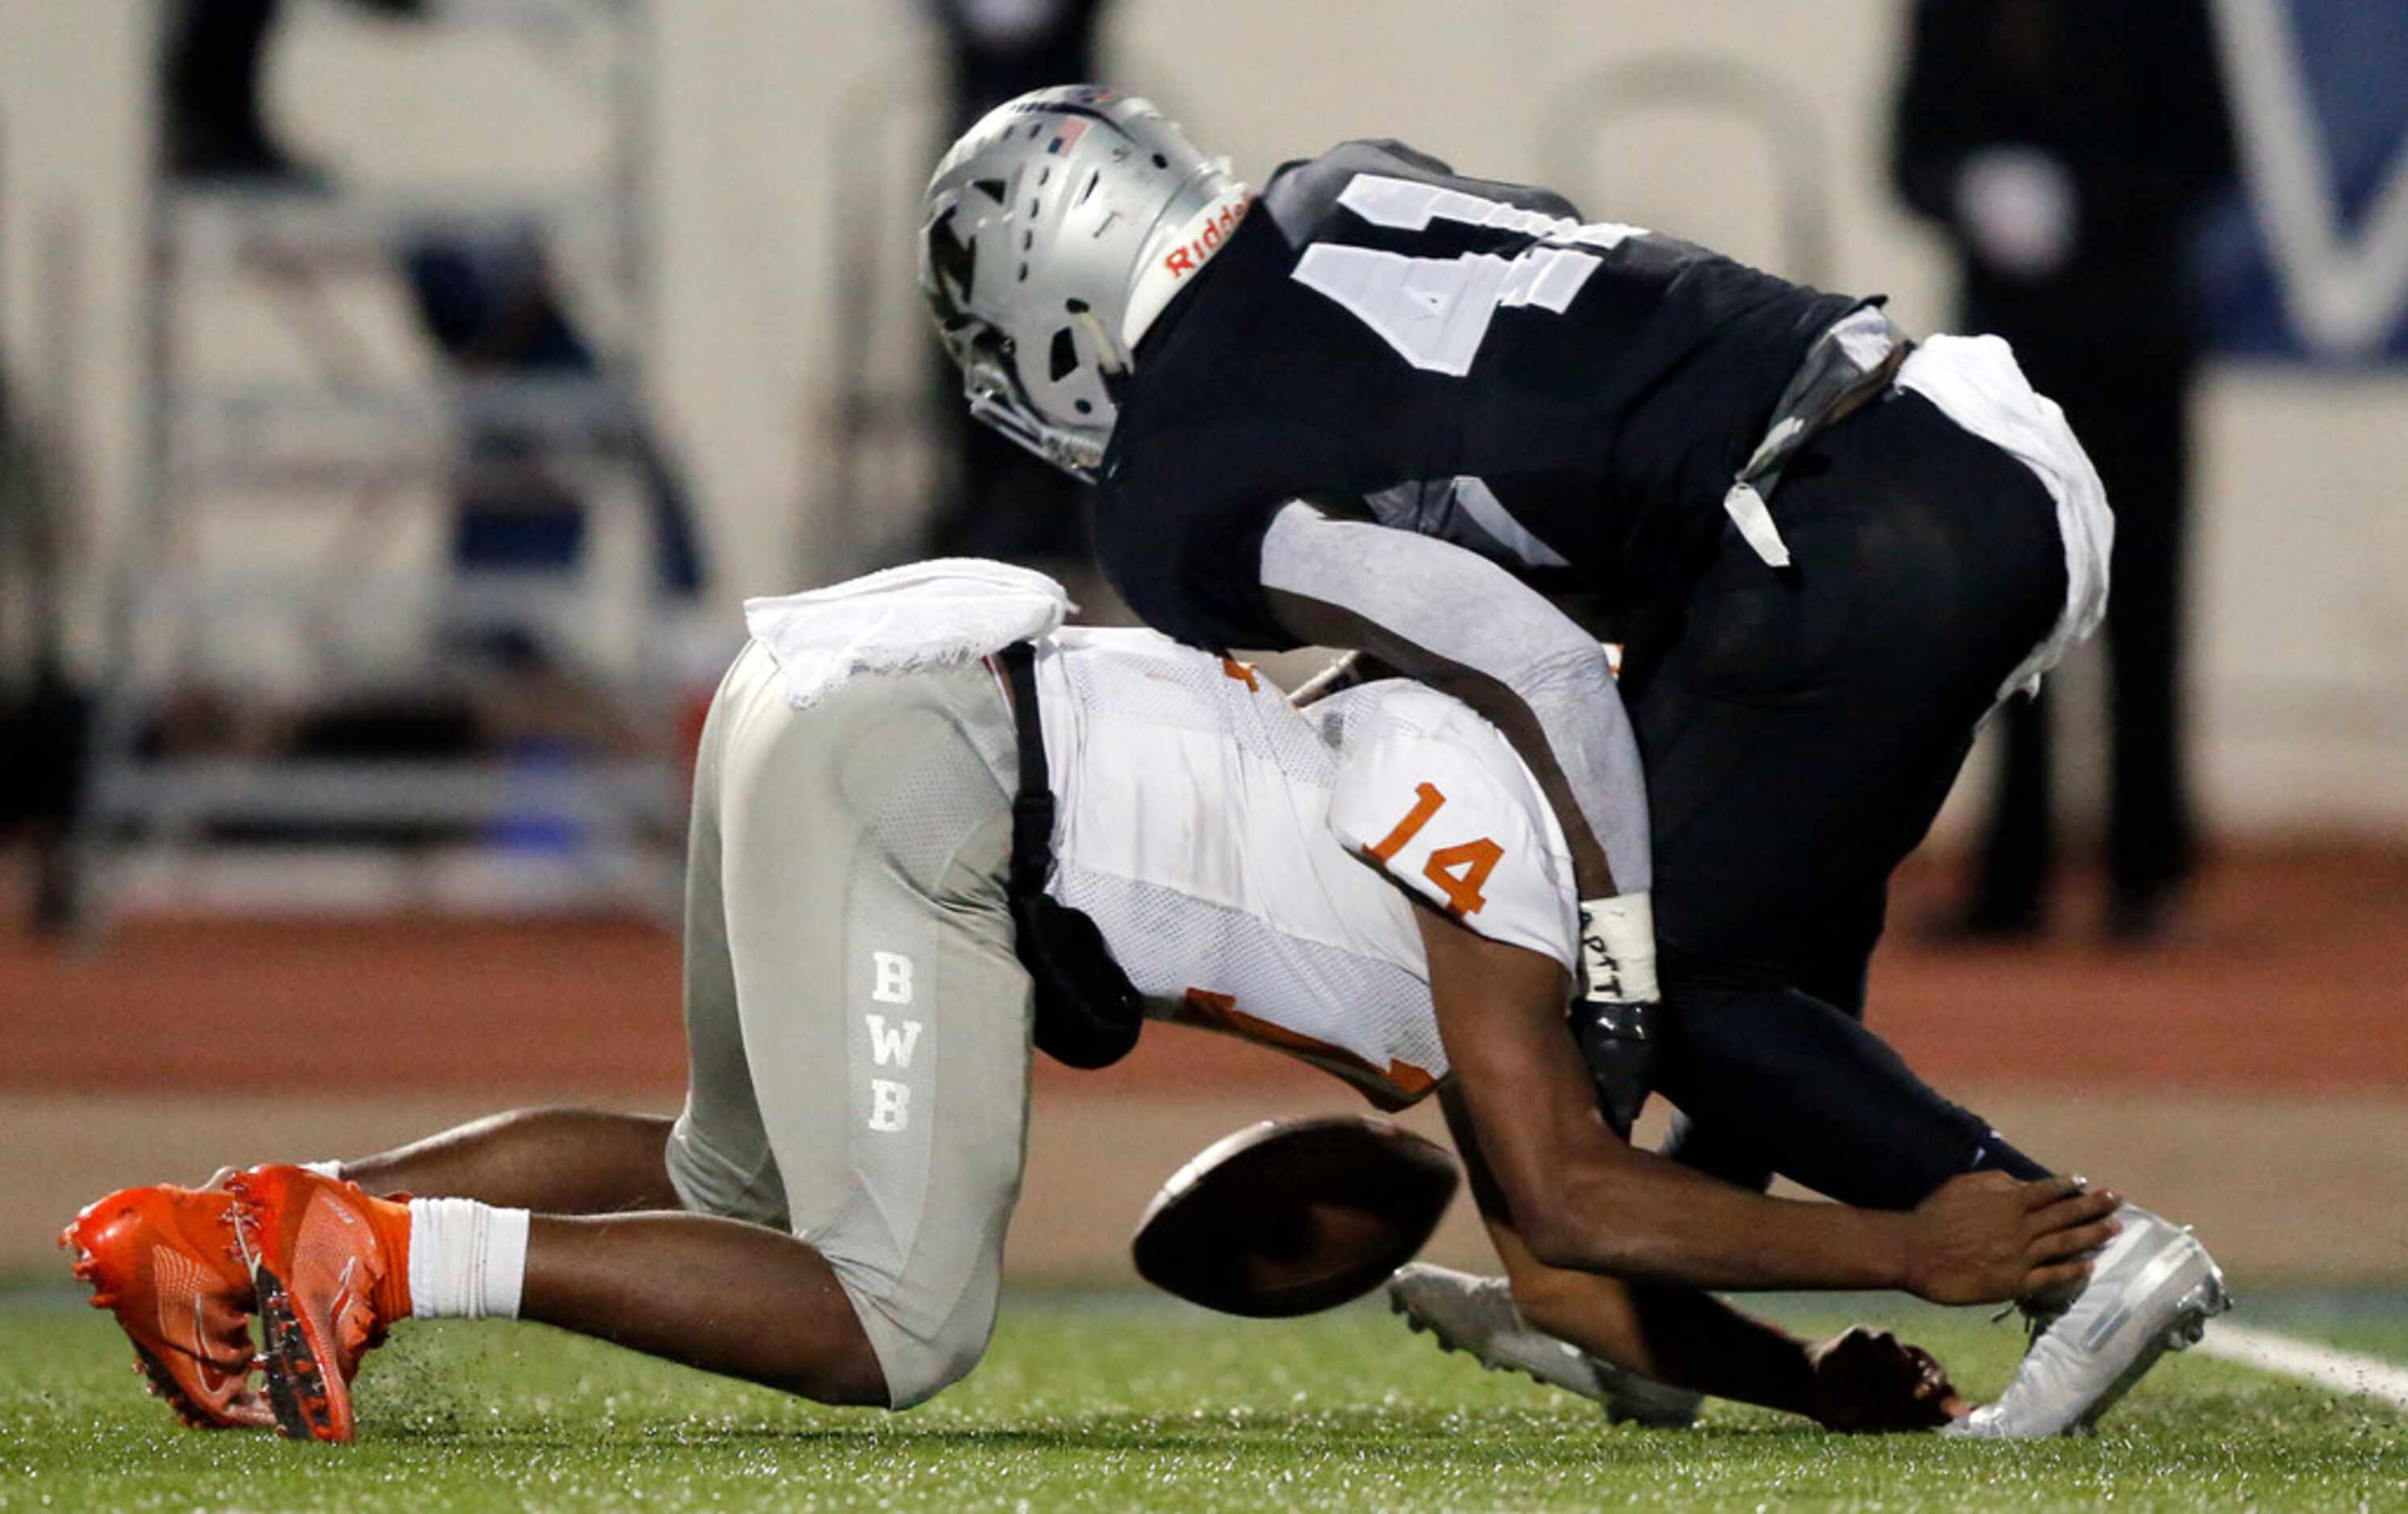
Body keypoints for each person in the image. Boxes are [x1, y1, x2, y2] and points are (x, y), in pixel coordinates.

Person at [65, 564, 2138, 1442]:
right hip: (930, 774)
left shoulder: (1526, 773)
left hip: (850, 698)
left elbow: (1567, 1256)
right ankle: (371, 1249)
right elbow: (1581, 1210)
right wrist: (1900, 1241)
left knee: (733, 1178)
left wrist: (1805, 1385)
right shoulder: (1527, 847)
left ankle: (253, 1228)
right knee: (895, 1318)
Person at [919, 89, 2223, 1436]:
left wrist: (1615, 950)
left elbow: (1531, 658)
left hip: (1841, 523)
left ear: (1050, 291)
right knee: (1758, 938)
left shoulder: (1177, 479)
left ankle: (2080, 1255)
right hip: (1934, 434)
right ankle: (1653, 1321)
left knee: (1691, 975)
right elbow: (1537, 362)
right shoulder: (1342, 180)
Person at [1892, 0, 2236, 941]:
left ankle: (2147, 871)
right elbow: (1907, 154)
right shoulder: (1948, 13)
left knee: (2145, 602)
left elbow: (2209, 155)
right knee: (2006, 609)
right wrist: (1969, 191)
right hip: (2006, 357)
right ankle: (2012, 876)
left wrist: (2089, 200)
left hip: (2134, 336)